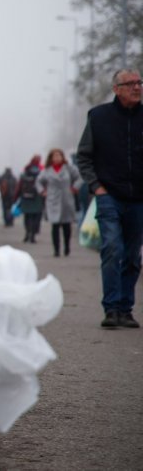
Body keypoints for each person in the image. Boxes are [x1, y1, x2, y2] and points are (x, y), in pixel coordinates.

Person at [76, 68, 143, 329]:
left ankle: (126, 309)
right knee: (112, 248)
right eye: (130, 84)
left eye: (139, 82)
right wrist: (96, 186)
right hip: (109, 196)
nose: (137, 87)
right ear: (116, 89)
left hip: (138, 198)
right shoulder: (99, 117)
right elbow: (84, 156)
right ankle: (111, 307)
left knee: (132, 255)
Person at [36, 148, 82, 257]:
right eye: (54, 156)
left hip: (66, 199)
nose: (57, 158)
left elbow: (79, 178)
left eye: (59, 155)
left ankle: (67, 246)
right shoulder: (47, 170)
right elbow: (38, 181)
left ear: (62, 157)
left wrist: (75, 188)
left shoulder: (69, 169)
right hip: (53, 200)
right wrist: (42, 191)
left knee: (67, 225)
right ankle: (56, 249)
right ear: (51, 158)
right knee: (55, 226)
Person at [15, 155, 44, 243]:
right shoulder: (41, 171)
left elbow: (20, 186)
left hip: (26, 197)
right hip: (37, 197)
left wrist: (16, 197)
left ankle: (27, 232)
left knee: (27, 217)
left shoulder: (26, 170)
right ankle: (33, 235)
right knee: (36, 217)